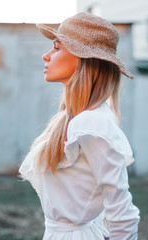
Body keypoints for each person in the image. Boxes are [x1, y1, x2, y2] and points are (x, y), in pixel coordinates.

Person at [19, 12, 140, 240]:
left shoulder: (91, 124)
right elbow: (90, 194)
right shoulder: (71, 119)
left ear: (83, 58)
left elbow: (122, 211)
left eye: (56, 48)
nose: (46, 56)